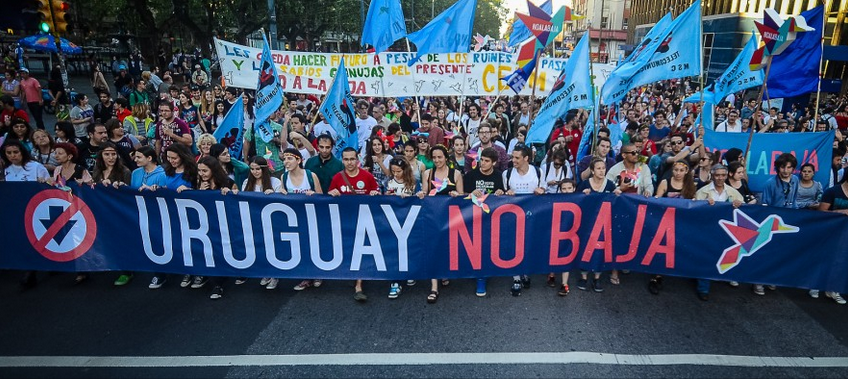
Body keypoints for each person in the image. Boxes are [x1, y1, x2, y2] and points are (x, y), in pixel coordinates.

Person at [328, 147, 381, 302]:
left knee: (360, 251)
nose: (349, 162)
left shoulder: (367, 176)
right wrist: (332, 194)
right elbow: (328, 196)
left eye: (352, 159)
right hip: (345, 221)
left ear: (357, 159)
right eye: (346, 159)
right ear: (342, 160)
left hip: (364, 221)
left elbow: (377, 194)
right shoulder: (337, 178)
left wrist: (374, 194)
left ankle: (359, 284)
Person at [419, 144, 464, 303]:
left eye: (440, 157)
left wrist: (456, 195)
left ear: (446, 157)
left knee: (446, 249)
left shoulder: (456, 174)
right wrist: (421, 194)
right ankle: (434, 287)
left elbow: (462, 196)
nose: (437, 160)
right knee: (432, 249)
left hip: (450, 219)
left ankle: (444, 272)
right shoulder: (427, 173)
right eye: (434, 157)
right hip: (432, 218)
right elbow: (425, 193)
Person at [694, 164, 744, 301]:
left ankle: (722, 277)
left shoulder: (733, 193)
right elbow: (694, 213)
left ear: (727, 175)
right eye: (717, 175)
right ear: (712, 175)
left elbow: (745, 211)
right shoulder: (702, 192)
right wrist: (703, 205)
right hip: (707, 231)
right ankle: (703, 288)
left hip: (726, 233)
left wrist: (740, 204)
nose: (720, 178)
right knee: (706, 258)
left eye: (723, 175)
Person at [502, 144, 545, 296]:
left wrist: (542, 191)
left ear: (526, 158)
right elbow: (500, 197)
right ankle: (516, 279)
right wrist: (505, 193)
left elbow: (544, 190)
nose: (513, 160)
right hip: (513, 218)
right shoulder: (507, 174)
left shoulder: (538, 172)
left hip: (532, 217)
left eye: (517, 158)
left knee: (528, 246)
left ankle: (526, 273)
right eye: (512, 157)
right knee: (514, 247)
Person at [462, 147, 505, 297]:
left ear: (494, 162)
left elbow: (505, 196)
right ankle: (480, 278)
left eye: (487, 161)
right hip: (473, 218)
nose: (483, 163)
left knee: (488, 249)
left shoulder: (500, 176)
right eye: (482, 160)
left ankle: (483, 276)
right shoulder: (470, 175)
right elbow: (462, 197)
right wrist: (470, 194)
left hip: (492, 219)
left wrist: (501, 193)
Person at [195, 155, 238, 299]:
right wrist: (199, 192)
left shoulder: (228, 182)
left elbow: (237, 201)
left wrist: (230, 194)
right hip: (206, 225)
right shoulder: (198, 183)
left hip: (224, 224)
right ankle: (216, 284)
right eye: (199, 171)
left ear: (213, 170)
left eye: (205, 171)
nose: (201, 174)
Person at [576, 158, 620, 293]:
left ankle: (597, 277)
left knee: (601, 248)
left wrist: (618, 195)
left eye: (603, 168)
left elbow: (616, 204)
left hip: (604, 223)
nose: (602, 171)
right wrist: (582, 195)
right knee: (585, 247)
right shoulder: (584, 184)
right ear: (593, 170)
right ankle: (583, 277)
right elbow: (575, 201)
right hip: (587, 223)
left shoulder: (610, 185)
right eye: (599, 168)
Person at [814, 174, 848, 304]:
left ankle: (834, 289)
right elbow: (821, 213)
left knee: (841, 262)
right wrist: (841, 212)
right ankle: (815, 285)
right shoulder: (833, 191)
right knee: (824, 258)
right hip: (831, 231)